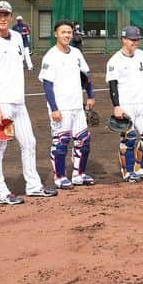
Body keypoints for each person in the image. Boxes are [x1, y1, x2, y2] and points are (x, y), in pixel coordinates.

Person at [0, 1, 55, 203]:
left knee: (29, 142)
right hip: (1, 103)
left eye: (6, 15)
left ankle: (33, 186)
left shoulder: (17, 37)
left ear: (11, 17)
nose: (3, 18)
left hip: (18, 101)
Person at [40, 19, 96, 188]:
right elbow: (47, 84)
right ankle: (60, 177)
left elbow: (86, 76)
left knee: (84, 141)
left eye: (69, 32)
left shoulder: (76, 53)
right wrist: (54, 109)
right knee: (61, 142)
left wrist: (91, 96)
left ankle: (79, 174)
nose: (66, 35)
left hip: (77, 106)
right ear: (56, 34)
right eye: (63, 32)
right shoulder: (50, 56)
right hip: (61, 107)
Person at [106, 25, 143, 182]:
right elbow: (112, 85)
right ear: (123, 40)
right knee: (129, 138)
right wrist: (116, 106)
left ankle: (141, 168)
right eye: (132, 39)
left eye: (137, 39)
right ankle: (128, 172)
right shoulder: (114, 60)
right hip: (126, 105)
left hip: (142, 103)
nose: (135, 42)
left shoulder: (141, 55)